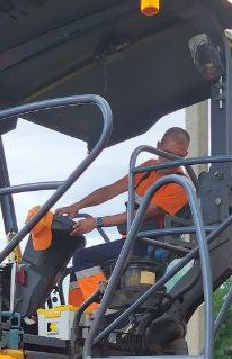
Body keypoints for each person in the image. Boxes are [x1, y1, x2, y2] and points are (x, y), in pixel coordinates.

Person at [58, 127, 191, 303]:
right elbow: (111, 190)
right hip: (131, 240)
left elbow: (138, 215)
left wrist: (95, 222)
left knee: (83, 258)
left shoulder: (178, 185)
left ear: (185, 155)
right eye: (165, 153)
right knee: (82, 267)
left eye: (177, 158)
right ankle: (76, 313)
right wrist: (77, 206)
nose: (169, 161)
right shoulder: (147, 169)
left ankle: (98, 308)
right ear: (158, 145)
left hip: (147, 246)